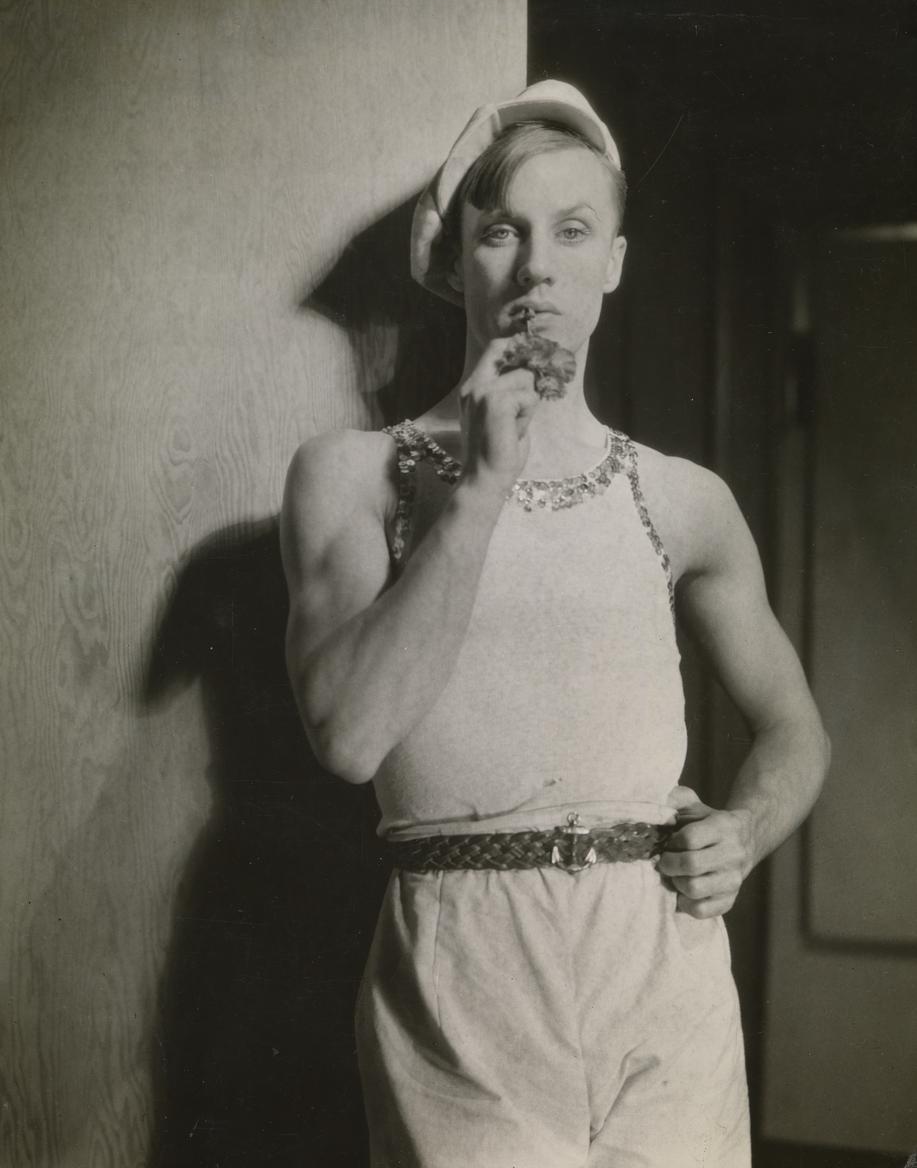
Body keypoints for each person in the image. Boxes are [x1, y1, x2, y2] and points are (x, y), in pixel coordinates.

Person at [280, 80, 830, 1167]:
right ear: (454, 266)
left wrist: (744, 831)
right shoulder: (351, 475)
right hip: (463, 970)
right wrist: (480, 490)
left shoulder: (680, 498)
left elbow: (795, 729)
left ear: (612, 263)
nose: (537, 267)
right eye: (502, 233)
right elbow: (347, 738)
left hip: (659, 966)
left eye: (572, 232)